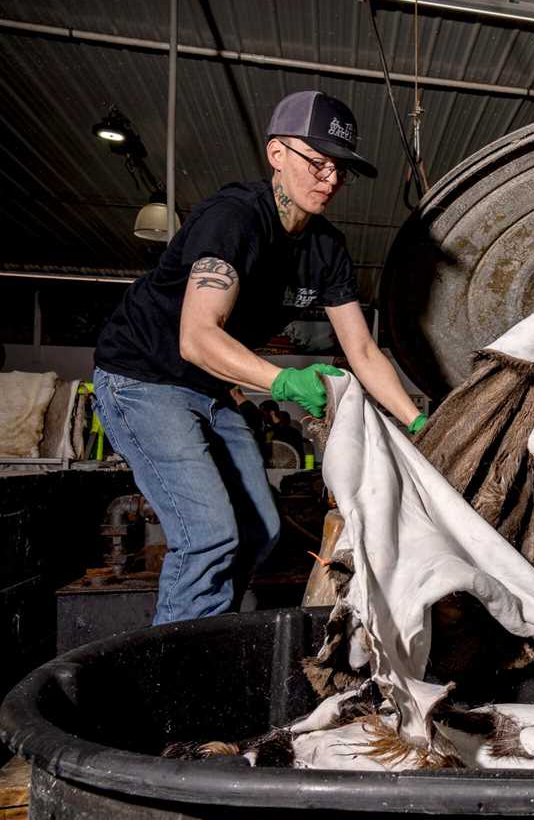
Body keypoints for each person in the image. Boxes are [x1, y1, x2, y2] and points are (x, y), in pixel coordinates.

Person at [92, 90, 426, 625]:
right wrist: (286, 384)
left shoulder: (327, 248)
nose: (330, 179)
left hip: (207, 387)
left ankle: (213, 632)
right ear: (276, 154)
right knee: (207, 537)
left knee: (260, 530)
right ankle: (174, 674)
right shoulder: (233, 219)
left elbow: (361, 349)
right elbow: (198, 338)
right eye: (316, 162)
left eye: (340, 168)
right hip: (141, 379)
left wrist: (419, 422)